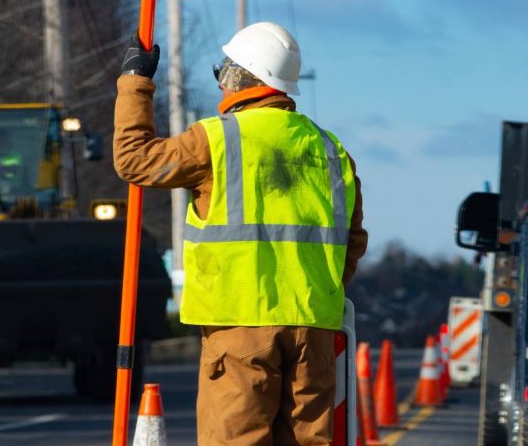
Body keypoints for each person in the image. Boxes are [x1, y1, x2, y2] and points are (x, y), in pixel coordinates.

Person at [113, 22, 367, 445]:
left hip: (239, 326)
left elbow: (135, 162)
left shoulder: (216, 140)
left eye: (221, 71)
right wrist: (316, 293)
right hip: (313, 328)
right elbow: (352, 242)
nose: (220, 82)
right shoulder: (330, 150)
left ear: (238, 76)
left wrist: (135, 84)